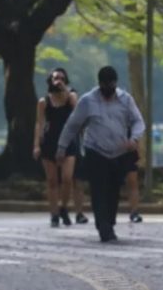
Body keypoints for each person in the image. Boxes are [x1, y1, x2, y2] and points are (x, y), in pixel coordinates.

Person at [57, 66, 145, 242]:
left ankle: (109, 222)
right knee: (98, 190)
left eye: (111, 84)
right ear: (99, 84)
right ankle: (103, 227)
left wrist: (134, 139)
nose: (108, 89)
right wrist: (61, 147)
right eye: (104, 85)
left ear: (115, 83)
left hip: (119, 152)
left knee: (113, 190)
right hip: (96, 151)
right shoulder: (88, 101)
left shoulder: (125, 100)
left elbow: (138, 122)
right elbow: (72, 125)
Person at [32, 68, 88, 227]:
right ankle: (54, 214)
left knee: (67, 178)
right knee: (52, 181)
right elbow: (39, 123)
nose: (59, 81)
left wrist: (65, 93)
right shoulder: (43, 102)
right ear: (50, 80)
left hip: (69, 142)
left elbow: (78, 115)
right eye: (56, 78)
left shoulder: (71, 96)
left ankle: (64, 206)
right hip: (49, 141)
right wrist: (36, 145)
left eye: (62, 78)